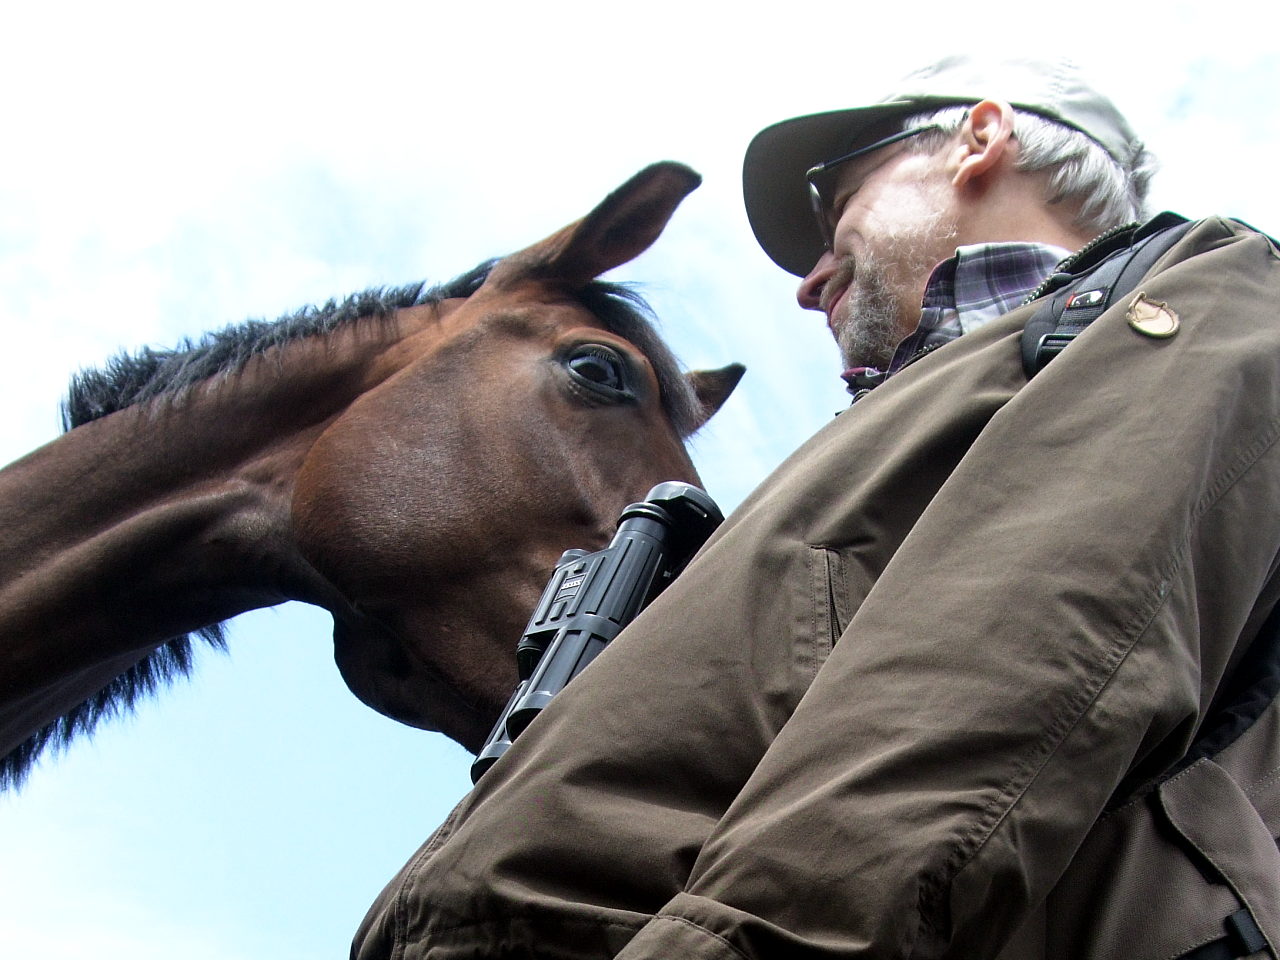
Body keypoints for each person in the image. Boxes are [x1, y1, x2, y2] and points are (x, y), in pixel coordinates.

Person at [352, 57, 1280, 960]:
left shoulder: (1198, 295)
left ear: (979, 139)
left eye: (838, 205)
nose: (808, 280)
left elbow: (989, 693)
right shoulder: (892, 437)